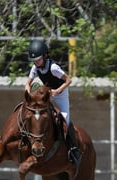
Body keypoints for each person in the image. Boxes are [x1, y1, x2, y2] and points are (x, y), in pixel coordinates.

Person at [24, 40, 82, 169]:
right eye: (34, 60)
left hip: (60, 94)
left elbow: (68, 80)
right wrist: (28, 92)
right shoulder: (35, 68)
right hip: (46, 95)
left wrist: (58, 91)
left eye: (38, 59)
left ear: (45, 56)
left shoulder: (53, 68)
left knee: (65, 120)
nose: (36, 62)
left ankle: (74, 150)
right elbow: (28, 83)